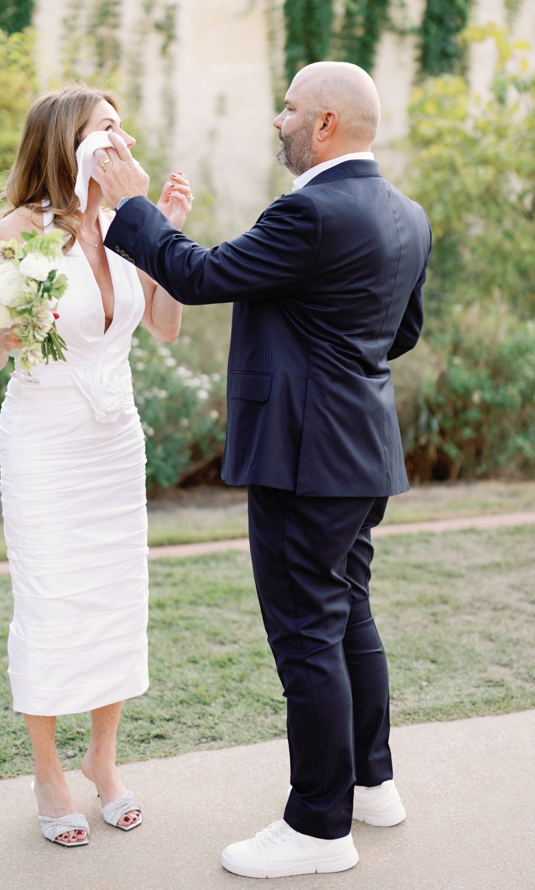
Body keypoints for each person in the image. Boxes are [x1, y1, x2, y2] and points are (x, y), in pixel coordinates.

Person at [93, 60, 429, 879]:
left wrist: (132, 202)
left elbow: (199, 275)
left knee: (307, 633)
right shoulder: (406, 213)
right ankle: (370, 781)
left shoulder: (309, 211)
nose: (276, 121)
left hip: (304, 457)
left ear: (324, 124)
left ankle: (317, 825)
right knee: (348, 613)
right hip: (363, 452)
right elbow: (403, 331)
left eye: (287, 109)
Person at [0, 87, 191, 847]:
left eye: (120, 125)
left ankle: (103, 758)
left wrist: (165, 239)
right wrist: (9, 325)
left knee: (114, 596)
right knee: (50, 599)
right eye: (105, 127)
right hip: (46, 441)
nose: (120, 137)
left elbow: (163, 327)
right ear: (69, 142)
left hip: (112, 443)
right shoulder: (19, 230)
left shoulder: (126, 226)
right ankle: (47, 771)